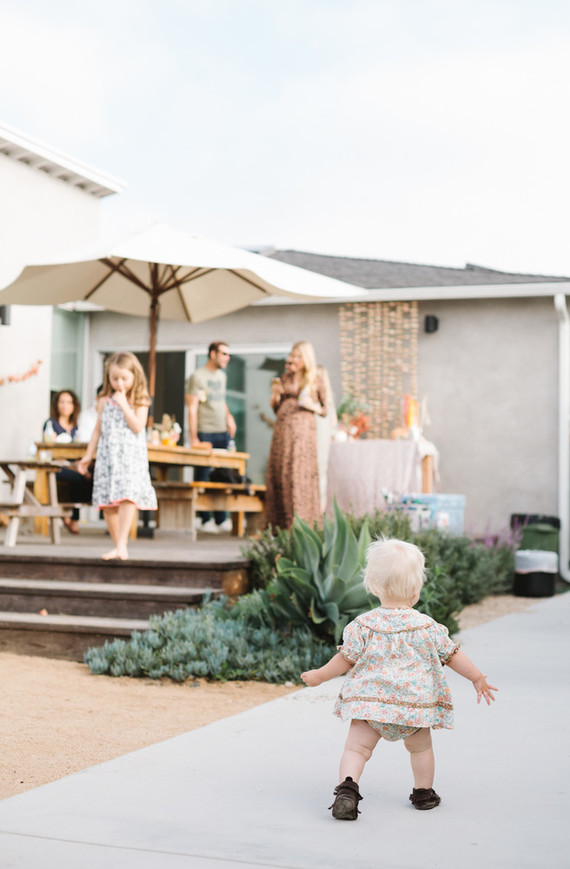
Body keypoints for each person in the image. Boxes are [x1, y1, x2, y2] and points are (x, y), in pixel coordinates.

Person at [301, 538, 498, 820]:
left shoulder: (363, 626)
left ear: (373, 586)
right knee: (421, 750)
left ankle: (347, 789)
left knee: (356, 748)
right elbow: (453, 656)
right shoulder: (427, 627)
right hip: (414, 708)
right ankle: (423, 794)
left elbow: (345, 660)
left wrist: (320, 675)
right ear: (416, 590)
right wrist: (477, 677)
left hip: (371, 706)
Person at [77, 352, 157, 561]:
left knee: (127, 496)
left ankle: (122, 544)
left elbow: (138, 426)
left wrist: (123, 404)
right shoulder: (104, 400)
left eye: (124, 378)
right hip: (108, 456)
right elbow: (97, 430)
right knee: (108, 502)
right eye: (115, 378)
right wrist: (87, 456)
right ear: (108, 378)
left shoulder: (140, 400)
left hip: (130, 457)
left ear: (134, 377)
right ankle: (118, 546)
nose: (119, 383)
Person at [265, 341, 327, 530]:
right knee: (281, 473)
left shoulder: (316, 378)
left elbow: (324, 410)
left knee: (299, 474)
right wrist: (274, 398)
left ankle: (302, 526)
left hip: (303, 433)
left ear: (306, 358)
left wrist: (311, 406)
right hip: (282, 431)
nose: (294, 360)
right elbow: (276, 409)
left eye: (298, 356)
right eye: (293, 355)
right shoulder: (284, 378)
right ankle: (280, 528)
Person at [185, 341, 236, 533]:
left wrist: (229, 417)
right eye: (223, 354)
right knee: (203, 476)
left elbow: (221, 401)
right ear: (212, 354)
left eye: (228, 355)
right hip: (204, 431)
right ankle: (204, 519)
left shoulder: (222, 376)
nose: (227, 358)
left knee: (223, 477)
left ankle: (221, 519)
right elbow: (192, 407)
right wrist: (194, 438)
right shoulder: (197, 377)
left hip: (222, 431)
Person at [43, 389, 93, 535]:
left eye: (68, 402)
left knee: (90, 476)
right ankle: (70, 516)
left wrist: (79, 464)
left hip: (76, 465)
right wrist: (74, 466)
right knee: (78, 477)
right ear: (56, 404)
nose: (65, 406)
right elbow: (49, 451)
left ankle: (72, 516)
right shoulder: (51, 424)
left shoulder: (77, 426)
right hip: (58, 466)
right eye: (62, 402)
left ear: (74, 405)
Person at [315, 365, 338, 513]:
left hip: (319, 443)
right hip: (321, 444)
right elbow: (334, 424)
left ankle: (319, 509)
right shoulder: (328, 401)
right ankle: (319, 509)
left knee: (319, 475)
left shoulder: (322, 402)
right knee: (321, 476)